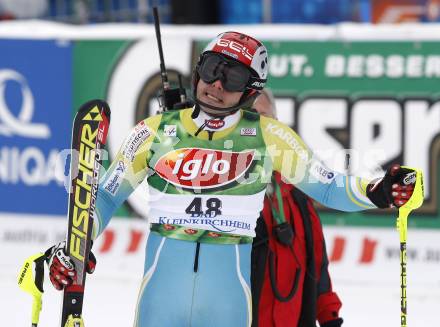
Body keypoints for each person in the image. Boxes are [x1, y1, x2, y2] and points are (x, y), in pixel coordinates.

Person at [45, 31, 416, 327]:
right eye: (212, 70)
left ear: (251, 89)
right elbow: (105, 198)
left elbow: (329, 186)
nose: (217, 85)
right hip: (161, 298)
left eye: (233, 76)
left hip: (228, 301)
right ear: (197, 71)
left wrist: (377, 190)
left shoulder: (270, 136)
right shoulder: (154, 131)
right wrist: (75, 247)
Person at [250, 90, 343, 327]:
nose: (259, 125)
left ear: (277, 126)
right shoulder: (222, 191)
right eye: (249, 116)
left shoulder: (299, 192)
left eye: (265, 116)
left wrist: (329, 315)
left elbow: (318, 264)